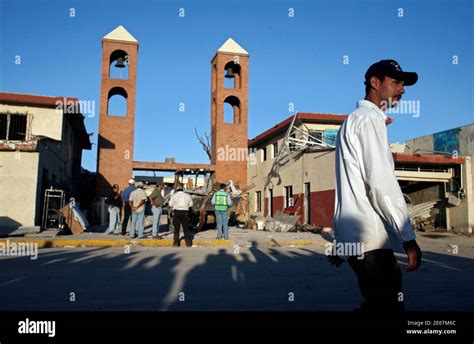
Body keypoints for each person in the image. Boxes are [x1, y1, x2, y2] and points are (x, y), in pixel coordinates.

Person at [332, 60, 422, 312]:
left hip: (358, 237)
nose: (402, 90)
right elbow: (380, 183)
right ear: (375, 83)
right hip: (370, 238)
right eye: (396, 82)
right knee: (388, 308)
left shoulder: (354, 120)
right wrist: (408, 238)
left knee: (378, 305)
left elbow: (353, 183)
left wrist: (345, 241)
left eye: (403, 84)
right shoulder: (370, 119)